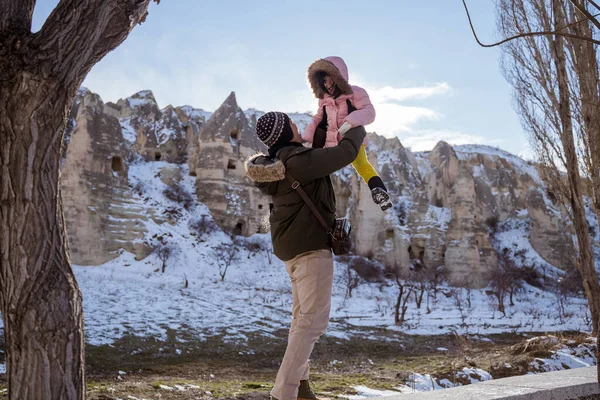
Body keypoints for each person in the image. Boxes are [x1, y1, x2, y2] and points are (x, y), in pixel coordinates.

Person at [245, 111, 367, 400]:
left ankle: (299, 387)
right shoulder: (298, 162)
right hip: (311, 249)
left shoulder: (280, 164)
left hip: (294, 251)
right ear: (286, 133)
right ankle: (283, 394)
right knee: (312, 322)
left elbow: (320, 149)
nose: (298, 127)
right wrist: (358, 124)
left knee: (301, 320)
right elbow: (347, 152)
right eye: (293, 124)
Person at [302, 56, 393, 211]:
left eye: (330, 79)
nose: (327, 84)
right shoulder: (324, 100)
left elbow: (369, 112)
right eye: (323, 81)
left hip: (352, 138)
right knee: (320, 170)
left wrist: (350, 121)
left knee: (362, 165)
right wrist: (306, 137)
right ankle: (315, 203)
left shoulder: (355, 93)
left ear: (339, 77)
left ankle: (379, 191)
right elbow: (319, 118)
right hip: (331, 143)